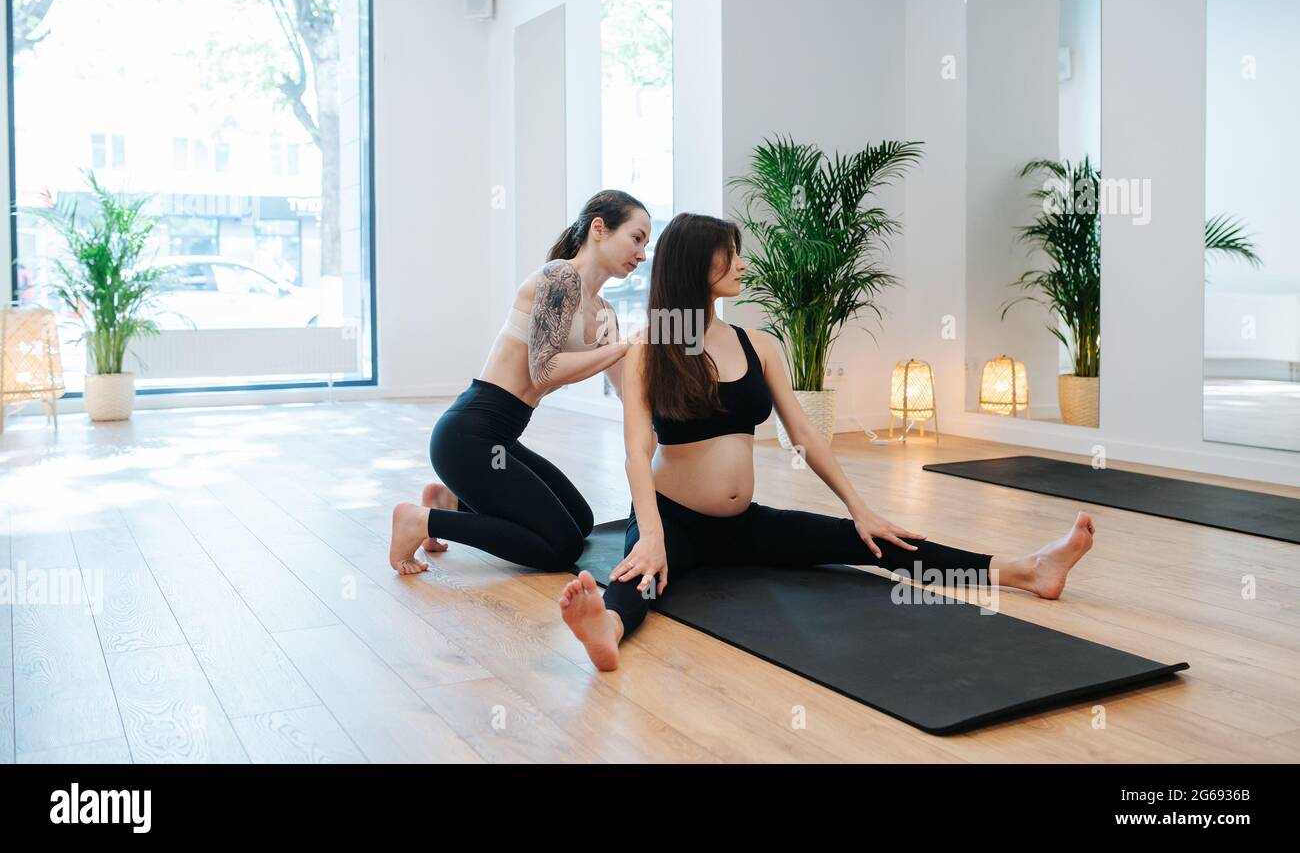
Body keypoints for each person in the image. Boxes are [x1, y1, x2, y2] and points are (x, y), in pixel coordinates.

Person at [558, 211, 1096, 670]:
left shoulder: (758, 344)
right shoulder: (650, 347)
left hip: (742, 525)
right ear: (698, 264)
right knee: (644, 573)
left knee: (874, 541)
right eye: (731, 254)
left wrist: (861, 509)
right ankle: (607, 628)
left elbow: (806, 435)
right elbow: (636, 450)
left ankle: (1028, 571)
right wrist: (650, 532)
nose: (743, 264)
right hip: (672, 518)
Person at [389, 190, 652, 574]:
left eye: (647, 244)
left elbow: (627, 392)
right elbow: (544, 369)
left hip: (501, 440)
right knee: (559, 547)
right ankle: (420, 520)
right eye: (637, 238)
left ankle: (449, 501)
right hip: (469, 436)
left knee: (579, 521)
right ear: (599, 228)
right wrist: (623, 346)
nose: (642, 255)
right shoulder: (559, 277)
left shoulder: (603, 313)